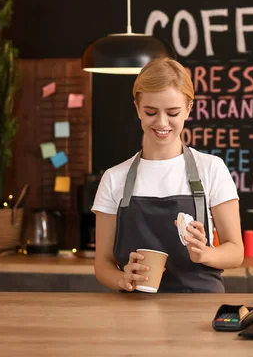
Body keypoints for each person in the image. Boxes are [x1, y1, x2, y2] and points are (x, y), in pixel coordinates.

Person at [91, 58, 244, 293]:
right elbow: (103, 263)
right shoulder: (114, 178)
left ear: (189, 108)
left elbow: (235, 252)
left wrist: (205, 253)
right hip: (134, 311)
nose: (162, 122)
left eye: (172, 112)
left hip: (199, 308)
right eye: (150, 112)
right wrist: (122, 279)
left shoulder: (211, 169)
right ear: (137, 108)